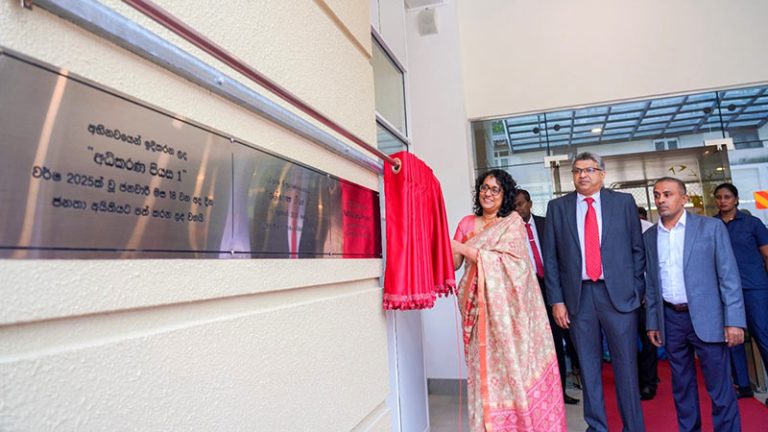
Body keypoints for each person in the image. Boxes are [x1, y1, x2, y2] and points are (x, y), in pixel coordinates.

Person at [452, 169, 566, 431]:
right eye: (484, 187)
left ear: (504, 196)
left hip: (508, 317)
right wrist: (446, 246)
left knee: (513, 370)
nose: (488, 193)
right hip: (478, 312)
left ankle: (518, 424)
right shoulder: (467, 223)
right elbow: (455, 264)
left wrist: (465, 249)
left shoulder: (511, 222)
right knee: (484, 373)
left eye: (495, 189)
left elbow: (515, 266)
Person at [543, 152, 646, 432]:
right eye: (577, 171)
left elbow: (638, 249)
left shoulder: (623, 203)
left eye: (589, 170)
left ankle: (633, 427)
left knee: (626, 368)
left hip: (619, 297)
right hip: (579, 298)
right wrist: (557, 301)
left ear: (602, 173)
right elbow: (551, 259)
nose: (582, 175)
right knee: (588, 368)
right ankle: (597, 426)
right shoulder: (558, 207)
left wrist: (636, 289)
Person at [645, 177, 746, 432]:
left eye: (667, 194)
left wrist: (733, 320)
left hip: (708, 318)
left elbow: (729, 277)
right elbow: (651, 284)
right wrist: (653, 321)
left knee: (720, 387)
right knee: (681, 386)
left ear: (684, 198)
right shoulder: (649, 236)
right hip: (671, 319)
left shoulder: (710, 228)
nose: (661, 200)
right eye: (657, 195)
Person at [514, 188, 580, 405]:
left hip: (552, 288)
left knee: (558, 339)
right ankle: (536, 394)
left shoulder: (545, 224)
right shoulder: (509, 230)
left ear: (530, 204)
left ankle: (560, 391)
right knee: (533, 343)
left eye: (521, 204)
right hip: (526, 291)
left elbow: (561, 257)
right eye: (514, 205)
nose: (518, 209)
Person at [714, 182, 768, 400]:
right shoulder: (712, 225)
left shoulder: (753, 223)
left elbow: (766, 255)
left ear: (735, 199)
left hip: (754, 287)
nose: (723, 201)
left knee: (763, 336)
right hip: (725, 291)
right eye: (719, 197)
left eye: (727, 197)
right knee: (732, 339)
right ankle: (743, 386)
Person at [636, 205, 659, 401]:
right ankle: (636, 379)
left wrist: (648, 292)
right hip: (622, 296)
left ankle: (649, 382)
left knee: (648, 340)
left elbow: (654, 264)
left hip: (645, 296)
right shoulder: (610, 229)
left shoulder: (648, 229)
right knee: (626, 342)